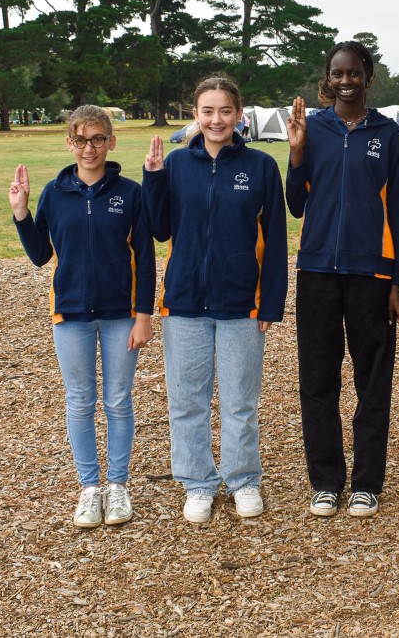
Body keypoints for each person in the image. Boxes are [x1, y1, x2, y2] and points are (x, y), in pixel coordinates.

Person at [142, 76, 288, 524]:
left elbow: (278, 240)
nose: (217, 119)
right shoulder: (176, 165)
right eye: (208, 111)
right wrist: (152, 179)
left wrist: (271, 303)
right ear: (195, 115)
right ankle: (198, 482)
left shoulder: (261, 167)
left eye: (225, 111)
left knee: (240, 399)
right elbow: (160, 229)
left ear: (239, 116)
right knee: (187, 399)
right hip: (183, 301)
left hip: (241, 300)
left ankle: (244, 479)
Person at [8, 105, 155, 529]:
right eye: (80, 139)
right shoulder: (55, 193)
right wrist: (21, 211)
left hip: (120, 315)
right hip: (70, 312)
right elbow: (40, 254)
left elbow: (145, 259)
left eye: (97, 139)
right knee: (80, 401)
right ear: (68, 142)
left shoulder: (130, 193)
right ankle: (90, 488)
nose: (88, 147)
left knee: (118, 400)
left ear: (111, 141)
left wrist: (143, 315)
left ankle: (118, 486)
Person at [286, 40, 399, 518]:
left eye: (353, 73)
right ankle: (325, 482)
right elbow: (296, 203)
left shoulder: (388, 134)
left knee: (372, 381)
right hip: (317, 270)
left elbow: (396, 210)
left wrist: (396, 279)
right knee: (317, 381)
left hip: (371, 274)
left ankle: (366, 483)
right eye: (337, 73)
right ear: (328, 78)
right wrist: (297, 153)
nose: (345, 81)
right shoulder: (312, 129)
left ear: (368, 76)